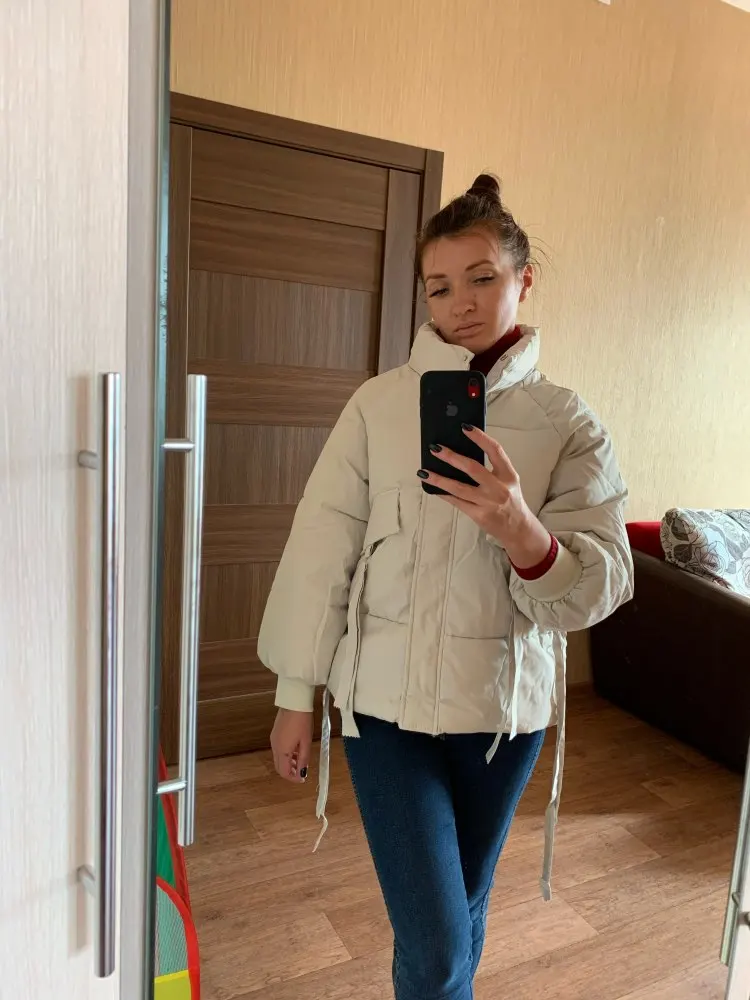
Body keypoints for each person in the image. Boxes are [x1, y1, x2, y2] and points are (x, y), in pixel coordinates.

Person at [258, 174, 633, 1000]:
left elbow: (600, 584)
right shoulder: (377, 406)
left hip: (502, 716)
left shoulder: (570, 423)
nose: (460, 303)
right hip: (382, 711)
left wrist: (522, 531)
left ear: (524, 279)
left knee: (458, 912)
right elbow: (322, 548)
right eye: (439, 286)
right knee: (434, 946)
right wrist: (295, 694)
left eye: (482, 278)